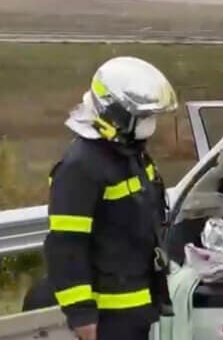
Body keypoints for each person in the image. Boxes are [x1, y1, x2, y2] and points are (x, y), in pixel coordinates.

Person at [43, 56, 177, 340]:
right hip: (109, 320)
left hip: (138, 309)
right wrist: (81, 315)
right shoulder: (81, 167)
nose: (150, 125)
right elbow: (66, 246)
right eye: (143, 117)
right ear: (114, 113)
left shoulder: (130, 155)